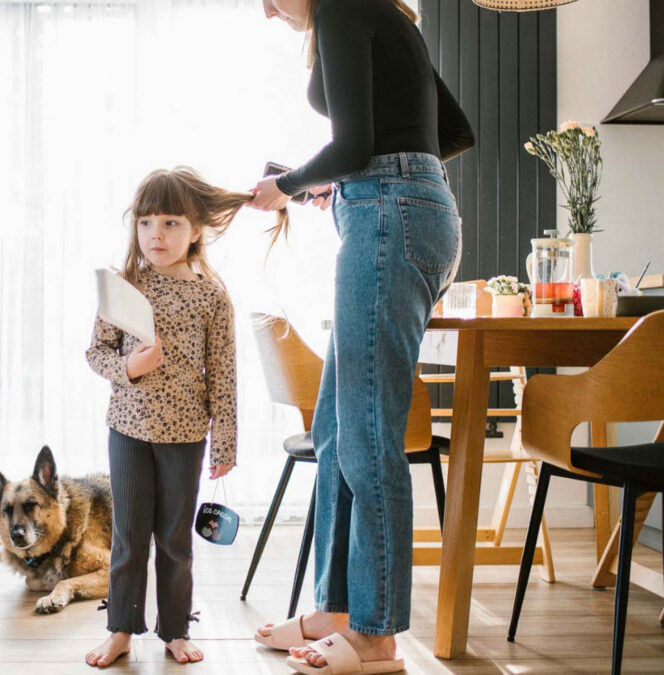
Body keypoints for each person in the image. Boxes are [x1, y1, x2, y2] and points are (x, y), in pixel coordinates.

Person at [248, 0, 474, 672]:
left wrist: (288, 185)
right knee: (335, 427)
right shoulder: (379, 12)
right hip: (408, 209)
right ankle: (339, 610)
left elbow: (351, 146)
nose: (267, 11)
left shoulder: (343, 8)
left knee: (367, 435)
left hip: (387, 218)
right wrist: (365, 176)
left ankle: (375, 637)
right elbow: (453, 131)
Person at [84, 167, 285, 668]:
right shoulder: (124, 286)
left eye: (170, 223)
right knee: (129, 536)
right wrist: (130, 367)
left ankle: (175, 629)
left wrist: (225, 443)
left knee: (174, 540)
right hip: (128, 430)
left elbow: (223, 374)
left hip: (186, 436)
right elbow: (96, 352)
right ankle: (121, 629)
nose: (156, 234)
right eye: (146, 222)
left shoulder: (211, 295)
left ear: (195, 230)